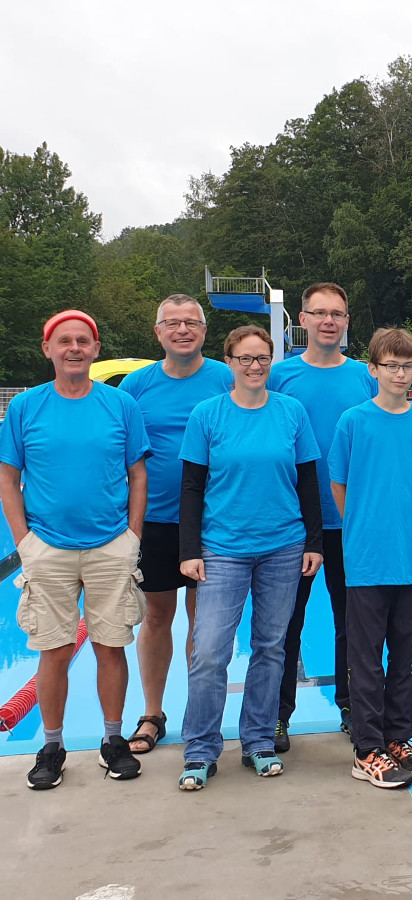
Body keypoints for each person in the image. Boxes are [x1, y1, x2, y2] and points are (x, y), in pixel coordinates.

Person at [2, 309, 150, 790]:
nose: (74, 349)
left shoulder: (120, 404)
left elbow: (138, 474)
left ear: (95, 348)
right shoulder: (26, 407)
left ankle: (112, 740)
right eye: (64, 341)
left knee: (111, 646)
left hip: (111, 545)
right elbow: (8, 476)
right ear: (48, 349)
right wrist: (24, 542)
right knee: (54, 650)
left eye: (82, 341)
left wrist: (132, 537)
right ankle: (52, 744)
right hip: (48, 547)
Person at [177, 325, 323, 790]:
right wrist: (188, 551)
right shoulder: (208, 414)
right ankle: (200, 749)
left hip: (283, 546)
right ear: (231, 362)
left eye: (262, 358)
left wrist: (314, 542)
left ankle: (258, 739)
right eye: (246, 359)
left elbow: (307, 482)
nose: (255, 366)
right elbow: (192, 486)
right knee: (210, 652)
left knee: (270, 649)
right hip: (222, 550)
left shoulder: (291, 412)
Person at [329, 328, 412, 788]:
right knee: (366, 656)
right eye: (390, 365)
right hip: (368, 558)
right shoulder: (353, 421)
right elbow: (340, 485)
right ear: (372, 369)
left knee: (405, 655)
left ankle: (397, 737)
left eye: (407, 365)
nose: (400, 373)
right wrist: (363, 526)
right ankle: (366, 748)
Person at [120, 295, 232, 754]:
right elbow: (116, 451)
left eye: (192, 323)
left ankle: (200, 714)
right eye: (173, 323)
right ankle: (152, 712)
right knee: (158, 617)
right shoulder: (136, 385)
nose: (183, 330)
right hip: (156, 521)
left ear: (205, 332)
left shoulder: (226, 378)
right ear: (158, 332)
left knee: (204, 624)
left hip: (215, 521)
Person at [269, 282, 376, 751]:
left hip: (352, 522)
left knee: (352, 622)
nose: (329, 320)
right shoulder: (280, 377)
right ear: (303, 319)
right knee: (284, 624)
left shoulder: (364, 379)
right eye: (320, 313)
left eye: (338, 313)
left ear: (347, 322)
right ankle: (277, 715)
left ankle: (352, 707)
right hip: (294, 525)